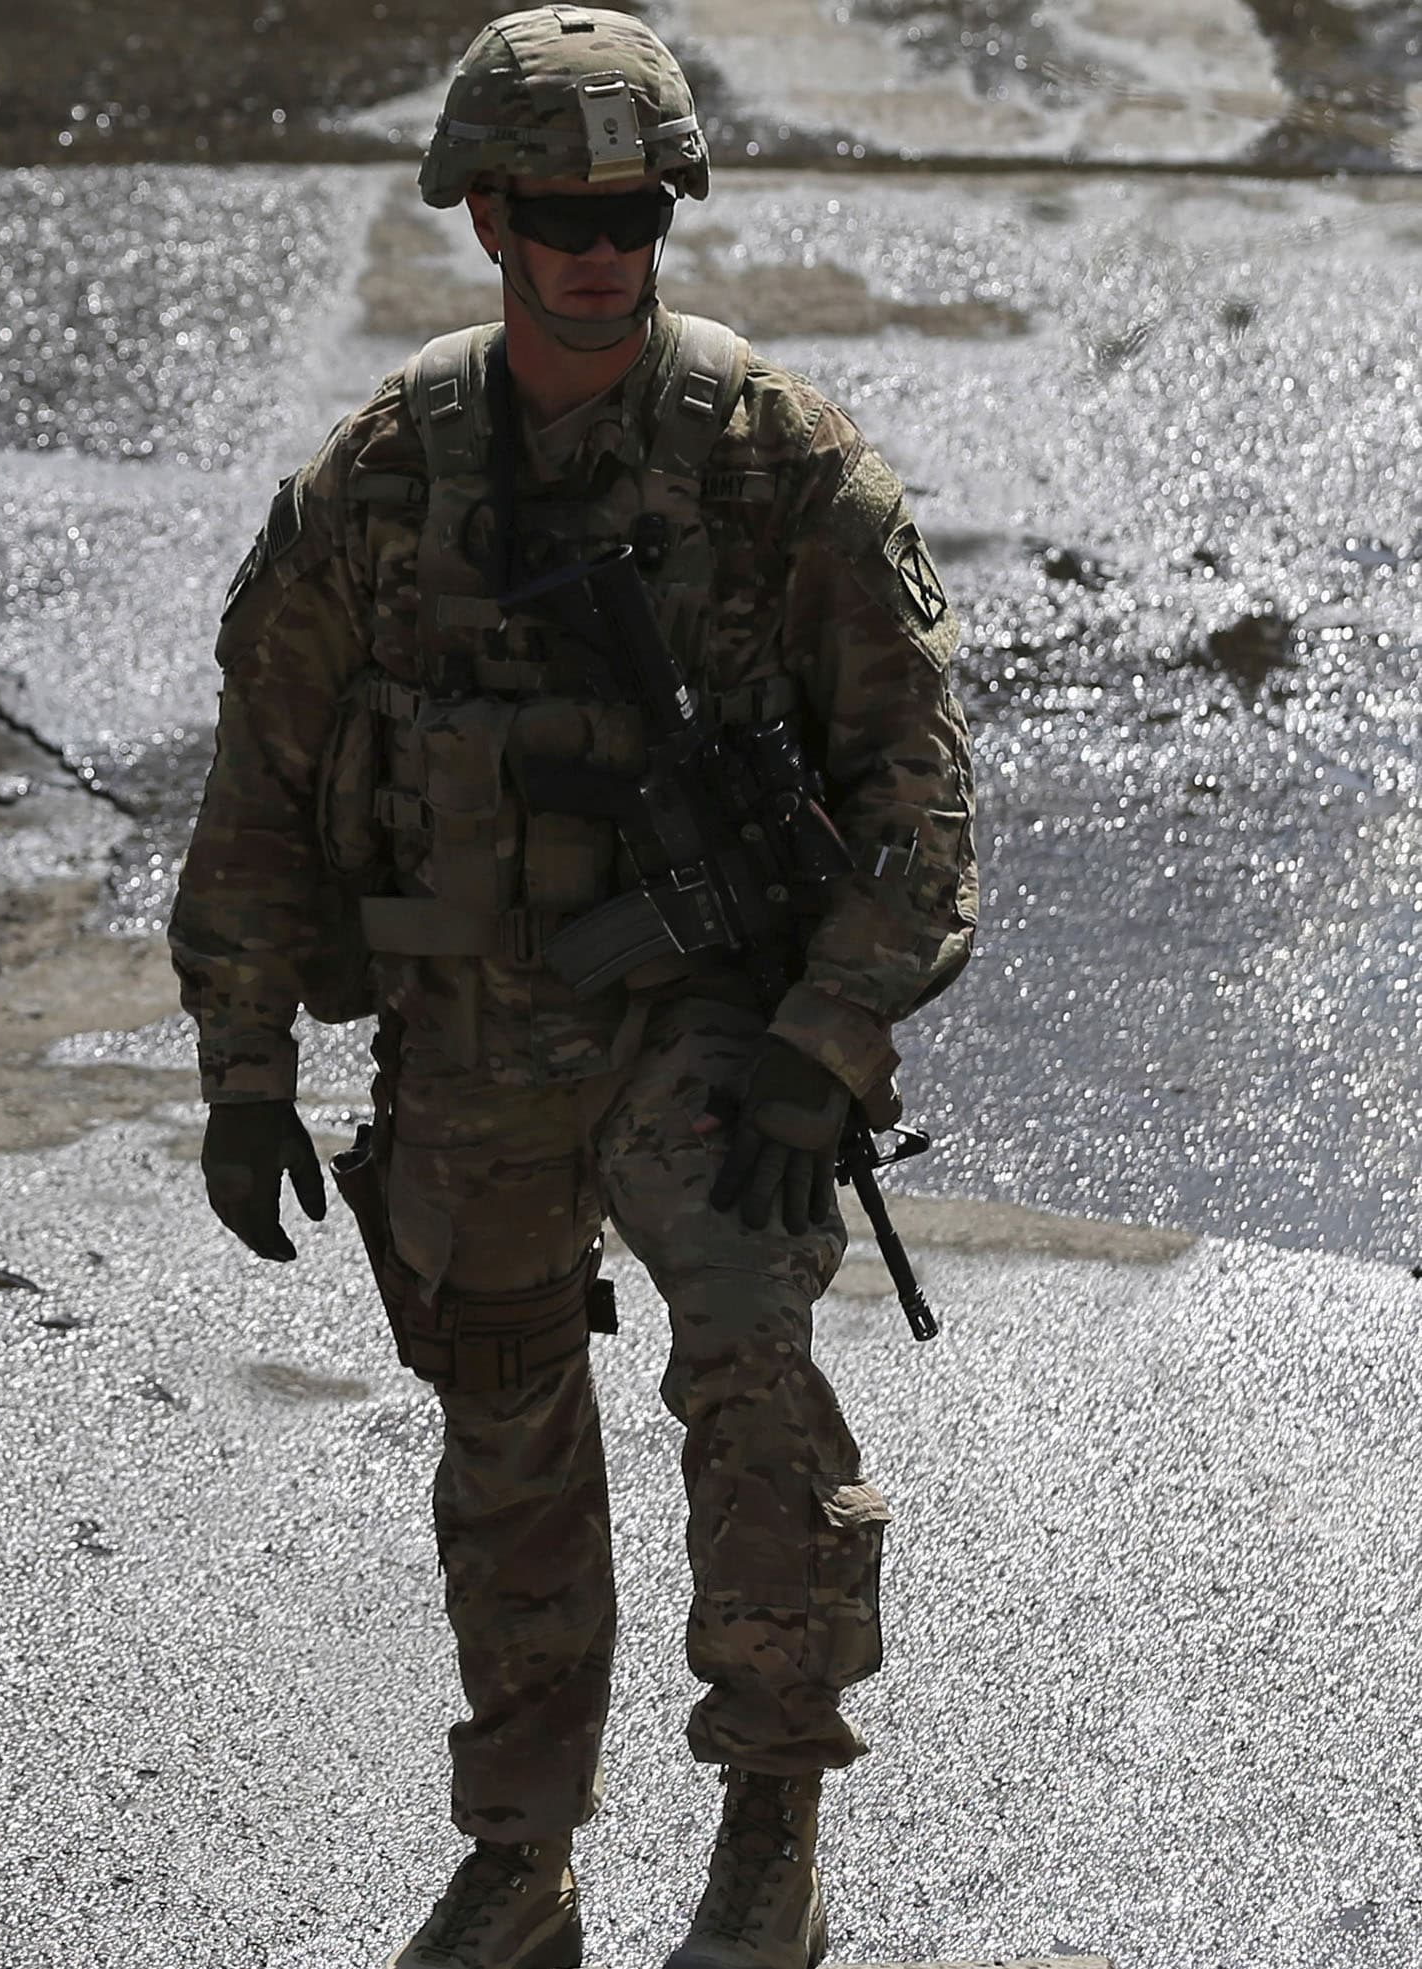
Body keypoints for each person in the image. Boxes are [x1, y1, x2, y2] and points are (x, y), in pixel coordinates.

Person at [168, 10, 980, 1967]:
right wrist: (243, 1062)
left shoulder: (778, 468)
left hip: (711, 1034)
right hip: (465, 1046)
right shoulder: (379, 484)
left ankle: (768, 1824)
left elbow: (917, 795)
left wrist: (823, 1039)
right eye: (556, 208)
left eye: (628, 208)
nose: (595, 246)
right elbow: (262, 790)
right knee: (503, 1427)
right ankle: (519, 1856)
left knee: (749, 1381)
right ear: (486, 219)